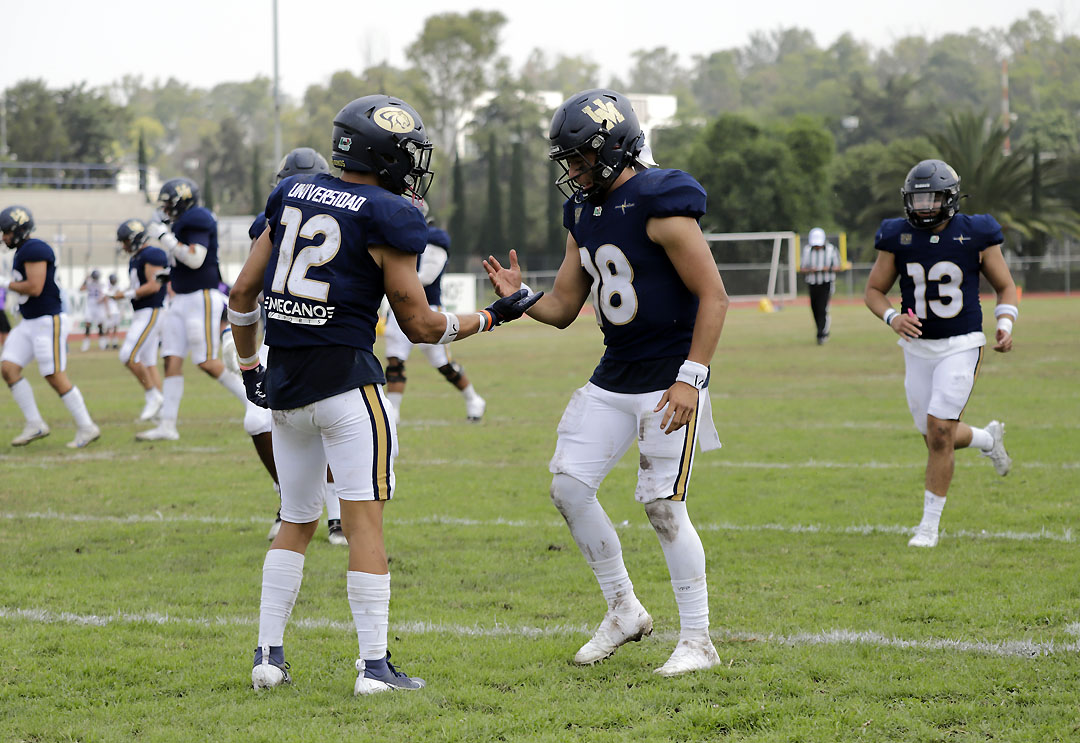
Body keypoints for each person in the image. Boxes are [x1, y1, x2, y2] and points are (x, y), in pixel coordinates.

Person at [228, 94, 539, 695]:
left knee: (295, 520)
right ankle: (373, 667)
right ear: (385, 154)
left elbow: (243, 293)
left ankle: (268, 658)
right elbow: (422, 326)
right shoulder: (389, 213)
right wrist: (496, 316)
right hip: (346, 384)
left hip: (285, 385)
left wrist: (248, 371)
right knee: (363, 523)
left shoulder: (290, 192)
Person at [484, 88, 729, 677]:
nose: (573, 171)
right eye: (567, 160)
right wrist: (520, 299)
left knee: (663, 506)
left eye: (581, 159)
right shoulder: (584, 212)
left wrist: (691, 378)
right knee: (568, 488)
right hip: (612, 376)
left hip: (667, 379)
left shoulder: (661, 198)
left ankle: (698, 639)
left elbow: (714, 295)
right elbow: (566, 305)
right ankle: (624, 609)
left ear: (615, 149)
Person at [864, 159, 1016, 548]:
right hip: (917, 349)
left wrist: (1005, 323)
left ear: (950, 198)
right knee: (934, 436)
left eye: (932, 198)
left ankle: (928, 527)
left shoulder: (977, 232)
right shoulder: (896, 235)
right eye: (917, 199)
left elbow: (1006, 287)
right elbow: (873, 291)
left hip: (961, 343)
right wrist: (892, 318)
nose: (924, 206)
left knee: (940, 430)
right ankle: (986, 439)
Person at [223, 146, 346, 546]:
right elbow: (251, 286)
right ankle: (289, 499)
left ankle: (338, 515)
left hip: (333, 336)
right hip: (285, 337)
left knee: (334, 426)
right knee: (258, 420)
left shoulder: (350, 215)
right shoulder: (274, 221)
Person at [135, 178, 249, 441]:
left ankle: (254, 404)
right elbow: (184, 261)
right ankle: (168, 425)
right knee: (171, 358)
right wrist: (170, 273)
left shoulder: (196, 217)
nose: (164, 208)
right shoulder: (182, 222)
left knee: (207, 361)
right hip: (182, 299)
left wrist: (164, 236)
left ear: (181, 202)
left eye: (168, 203)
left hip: (201, 298)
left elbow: (196, 259)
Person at [0, 205, 100, 448]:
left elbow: (34, 287)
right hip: (29, 321)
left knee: (54, 374)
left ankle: (87, 427)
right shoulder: (24, 250)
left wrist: (5, 283)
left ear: (19, 230)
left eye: (6, 232)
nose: (3, 238)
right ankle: (35, 424)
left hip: (47, 320)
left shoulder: (35, 248)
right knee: (8, 368)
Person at [383, 200, 486, 424]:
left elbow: (427, 276)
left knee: (442, 363)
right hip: (398, 306)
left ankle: (473, 399)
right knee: (394, 360)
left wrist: (390, 281)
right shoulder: (394, 237)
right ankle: (393, 413)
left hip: (427, 306)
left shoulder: (433, 238)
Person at [114, 219, 168, 422]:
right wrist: (124, 292)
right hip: (142, 311)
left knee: (127, 355)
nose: (123, 246)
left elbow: (154, 286)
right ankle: (162, 410)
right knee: (148, 361)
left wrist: (126, 294)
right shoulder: (136, 258)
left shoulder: (152, 254)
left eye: (125, 241)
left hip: (151, 310)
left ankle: (152, 396)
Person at [800, 227, 844, 345]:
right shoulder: (807, 250)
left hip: (826, 282)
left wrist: (827, 269)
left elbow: (839, 266)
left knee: (822, 307)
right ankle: (820, 329)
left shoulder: (831, 250)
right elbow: (802, 268)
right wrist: (810, 270)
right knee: (814, 308)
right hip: (812, 283)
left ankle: (821, 334)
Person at [79, 269, 107, 351]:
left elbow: (105, 295)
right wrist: (85, 280)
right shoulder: (89, 283)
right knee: (88, 324)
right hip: (90, 306)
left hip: (98, 306)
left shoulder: (101, 284)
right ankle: (86, 344)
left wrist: (101, 300)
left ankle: (102, 344)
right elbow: (81, 289)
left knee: (100, 325)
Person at [104, 273, 122, 349]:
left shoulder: (117, 287)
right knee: (108, 327)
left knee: (115, 327)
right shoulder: (107, 288)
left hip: (116, 310)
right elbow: (105, 299)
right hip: (110, 310)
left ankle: (114, 343)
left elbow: (120, 298)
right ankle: (107, 343)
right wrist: (107, 310)